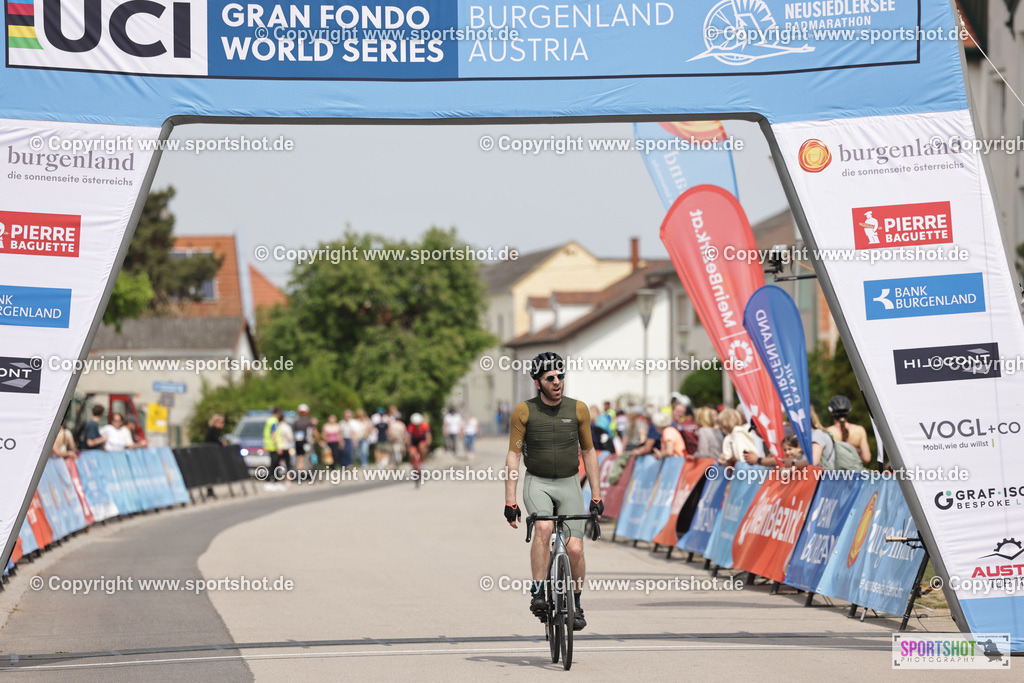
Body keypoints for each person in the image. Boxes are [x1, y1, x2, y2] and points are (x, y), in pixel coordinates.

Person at [503, 351, 601, 632]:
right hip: (539, 482)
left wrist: (596, 495)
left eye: (561, 376)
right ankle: (537, 591)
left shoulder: (578, 409)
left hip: (569, 481)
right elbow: (513, 456)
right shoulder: (524, 411)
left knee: (575, 547)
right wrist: (510, 500)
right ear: (538, 382)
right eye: (551, 378)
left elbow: (590, 452)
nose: (558, 381)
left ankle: (577, 602)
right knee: (544, 528)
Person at [826, 395, 872, 466]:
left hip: (835, 474)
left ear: (831, 412)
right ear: (849, 411)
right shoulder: (859, 430)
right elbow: (866, 458)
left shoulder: (827, 432)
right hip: (855, 473)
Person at [293, 404, 313, 471]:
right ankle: (300, 473)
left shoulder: (296, 422)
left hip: (297, 442)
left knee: (298, 458)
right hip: (305, 442)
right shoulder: (308, 421)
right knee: (303, 458)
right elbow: (312, 431)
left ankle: (299, 471)